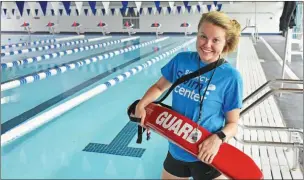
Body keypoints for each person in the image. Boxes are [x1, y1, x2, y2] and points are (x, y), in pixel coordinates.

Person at [135, 11, 243, 180]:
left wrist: (218, 139)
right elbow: (158, 87)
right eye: (203, 36)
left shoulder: (231, 77)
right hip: (176, 150)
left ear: (226, 43)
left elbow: (233, 123)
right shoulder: (181, 60)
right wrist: (142, 105)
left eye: (215, 40)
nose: (207, 44)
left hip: (206, 154)